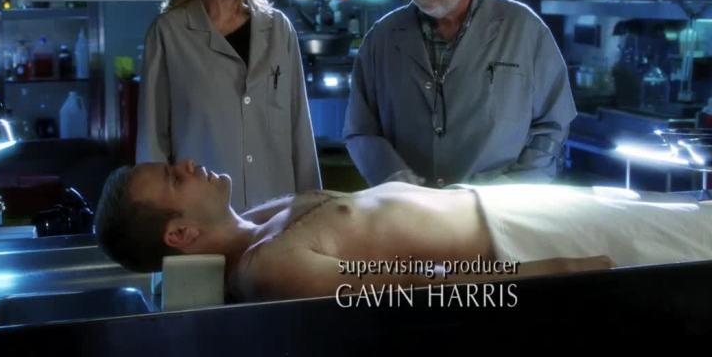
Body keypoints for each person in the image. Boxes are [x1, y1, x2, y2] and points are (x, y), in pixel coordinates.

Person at [94, 160, 712, 302]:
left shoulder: (256, 220)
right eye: (173, 178)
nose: (186, 164)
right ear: (180, 235)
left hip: (509, 206)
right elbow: (424, 288)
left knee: (689, 217)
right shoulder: (270, 267)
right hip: (525, 244)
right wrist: (563, 273)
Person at [343, 0, 576, 188]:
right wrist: (393, 178)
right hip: (408, 207)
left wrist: (513, 190)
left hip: (499, 208)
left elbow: (552, 126)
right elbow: (361, 129)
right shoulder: (382, 38)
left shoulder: (525, 30)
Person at [136, 0, 321, 212]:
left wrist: (313, 210)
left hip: (275, 216)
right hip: (202, 217)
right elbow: (152, 143)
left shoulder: (278, 30)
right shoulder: (169, 33)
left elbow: (300, 131)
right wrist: (158, 219)